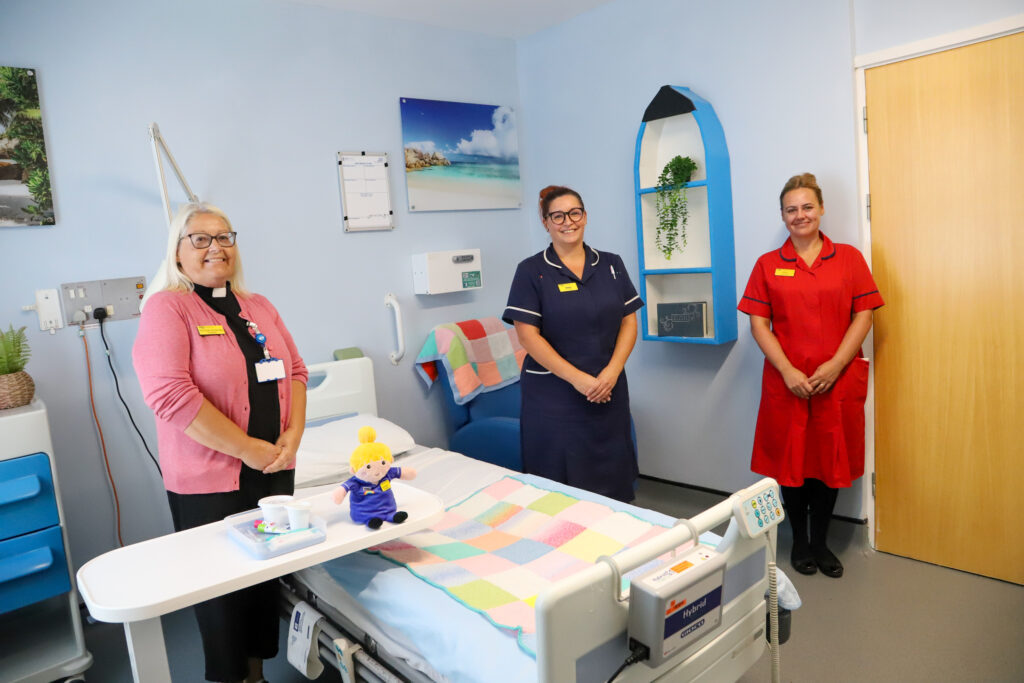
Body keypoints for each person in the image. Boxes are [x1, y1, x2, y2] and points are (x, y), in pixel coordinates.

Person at [133, 202, 308, 683]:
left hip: (273, 471)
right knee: (222, 597)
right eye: (201, 238)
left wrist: (292, 437)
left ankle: (257, 675)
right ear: (177, 252)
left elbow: (294, 371)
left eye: (224, 236)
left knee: (261, 585)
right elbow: (169, 396)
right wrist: (248, 448)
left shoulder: (258, 306)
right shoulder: (168, 308)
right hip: (211, 483)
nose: (216, 247)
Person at [738, 173, 884, 579]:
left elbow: (864, 314)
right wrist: (786, 370)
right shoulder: (768, 265)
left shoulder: (849, 258)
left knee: (829, 462)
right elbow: (758, 324)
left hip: (836, 382)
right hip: (788, 384)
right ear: (782, 216)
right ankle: (799, 541)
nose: (800, 215)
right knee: (793, 464)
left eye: (807, 207)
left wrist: (837, 364)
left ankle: (821, 541)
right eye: (791, 209)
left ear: (821, 209)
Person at [502, 185, 643, 502]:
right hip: (555, 398)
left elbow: (629, 321)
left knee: (613, 479)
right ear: (546, 222)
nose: (568, 221)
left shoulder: (610, 264)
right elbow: (527, 336)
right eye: (558, 215)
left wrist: (611, 373)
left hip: (608, 390)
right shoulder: (531, 271)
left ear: (585, 216)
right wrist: (578, 380)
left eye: (574, 213)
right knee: (560, 488)